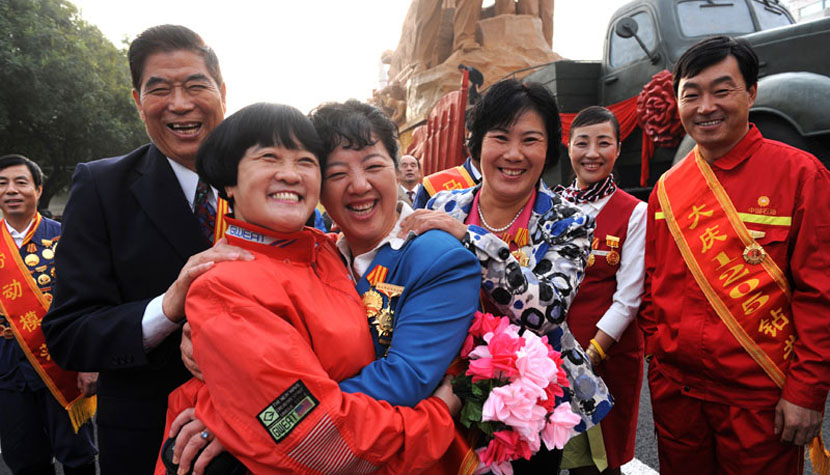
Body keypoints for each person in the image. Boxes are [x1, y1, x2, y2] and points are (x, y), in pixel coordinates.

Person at [154, 102, 478, 474]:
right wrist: (254, 420)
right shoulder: (230, 281)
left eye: (305, 162)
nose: (290, 175)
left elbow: (393, 380)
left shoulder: (324, 253)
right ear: (229, 180)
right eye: (269, 158)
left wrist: (250, 421)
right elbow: (306, 431)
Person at [41, 25, 249, 474]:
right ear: (138, 102)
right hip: (151, 437)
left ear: (222, 90)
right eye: (160, 89)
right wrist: (167, 309)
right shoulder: (102, 187)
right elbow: (69, 334)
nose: (180, 103)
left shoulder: (268, 178)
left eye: (195, 85)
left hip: (264, 433)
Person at [640, 35, 830, 475]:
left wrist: (806, 392)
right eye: (691, 94)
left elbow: (820, 295)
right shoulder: (667, 188)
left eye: (722, 91)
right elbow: (652, 281)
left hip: (758, 398)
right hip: (677, 395)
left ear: (752, 93)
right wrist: (656, 353)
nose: (706, 106)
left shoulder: (802, 176)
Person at [402, 78, 613, 472]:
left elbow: (547, 311)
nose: (514, 154)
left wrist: (469, 240)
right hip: (440, 389)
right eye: (500, 137)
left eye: (530, 140)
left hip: (530, 403)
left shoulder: (568, 221)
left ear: (548, 149)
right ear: (477, 143)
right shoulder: (444, 205)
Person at [554, 107, 646, 474]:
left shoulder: (634, 212)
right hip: (550, 353)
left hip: (604, 354)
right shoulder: (553, 205)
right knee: (549, 453)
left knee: (600, 462)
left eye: (603, 143)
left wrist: (590, 355)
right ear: (569, 148)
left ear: (618, 149)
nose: (592, 153)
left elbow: (629, 297)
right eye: (582, 143)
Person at [0, 154, 97, 475]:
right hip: (7, 369)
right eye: (2, 183)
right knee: (23, 457)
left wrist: (90, 362)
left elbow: (88, 300)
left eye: (21, 182)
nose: (11, 190)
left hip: (62, 364)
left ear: (39, 189)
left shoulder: (65, 236)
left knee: (77, 456)